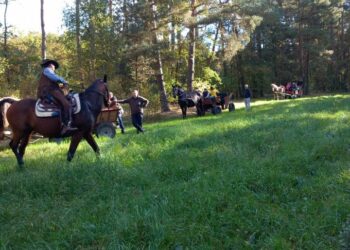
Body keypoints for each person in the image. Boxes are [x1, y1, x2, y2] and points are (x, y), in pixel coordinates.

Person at [37, 59, 77, 134]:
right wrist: (63, 80)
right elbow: (55, 78)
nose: (54, 67)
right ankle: (66, 125)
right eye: (54, 65)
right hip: (48, 91)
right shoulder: (47, 70)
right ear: (50, 65)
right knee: (66, 104)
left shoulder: (48, 72)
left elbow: (56, 81)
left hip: (50, 90)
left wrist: (63, 85)